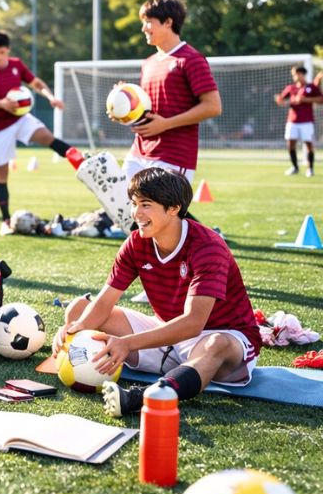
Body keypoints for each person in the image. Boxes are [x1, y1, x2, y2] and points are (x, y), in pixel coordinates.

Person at [52, 168, 259, 417]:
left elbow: (194, 324)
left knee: (217, 343)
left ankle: (146, 396)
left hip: (222, 338)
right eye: (134, 203)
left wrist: (127, 344)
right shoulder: (136, 242)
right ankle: (86, 368)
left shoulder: (207, 246)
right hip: (168, 331)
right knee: (79, 309)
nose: (136, 213)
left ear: (173, 208)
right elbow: (105, 301)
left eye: (146, 205)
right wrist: (75, 331)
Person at [0, 30, 81, 235]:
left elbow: (35, 82)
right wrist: (2, 104)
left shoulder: (16, 65)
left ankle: (83, 162)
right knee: (1, 174)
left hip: (20, 119)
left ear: (8, 50)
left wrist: (50, 96)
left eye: (3, 52)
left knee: (47, 137)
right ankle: (5, 220)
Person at [123, 0, 221, 187]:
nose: (143, 28)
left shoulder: (191, 59)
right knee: (123, 209)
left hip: (173, 156)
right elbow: (148, 109)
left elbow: (213, 106)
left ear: (168, 22)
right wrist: (123, 105)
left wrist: (166, 124)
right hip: (138, 151)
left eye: (148, 22)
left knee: (162, 216)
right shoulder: (148, 63)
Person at [275, 66, 320, 177]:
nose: (294, 76)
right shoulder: (291, 88)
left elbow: (321, 99)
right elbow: (280, 100)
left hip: (306, 121)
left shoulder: (311, 87)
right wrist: (280, 100)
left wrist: (306, 100)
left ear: (301, 74)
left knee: (308, 144)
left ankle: (310, 169)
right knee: (290, 144)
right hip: (292, 121)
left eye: (296, 74)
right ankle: (295, 167)